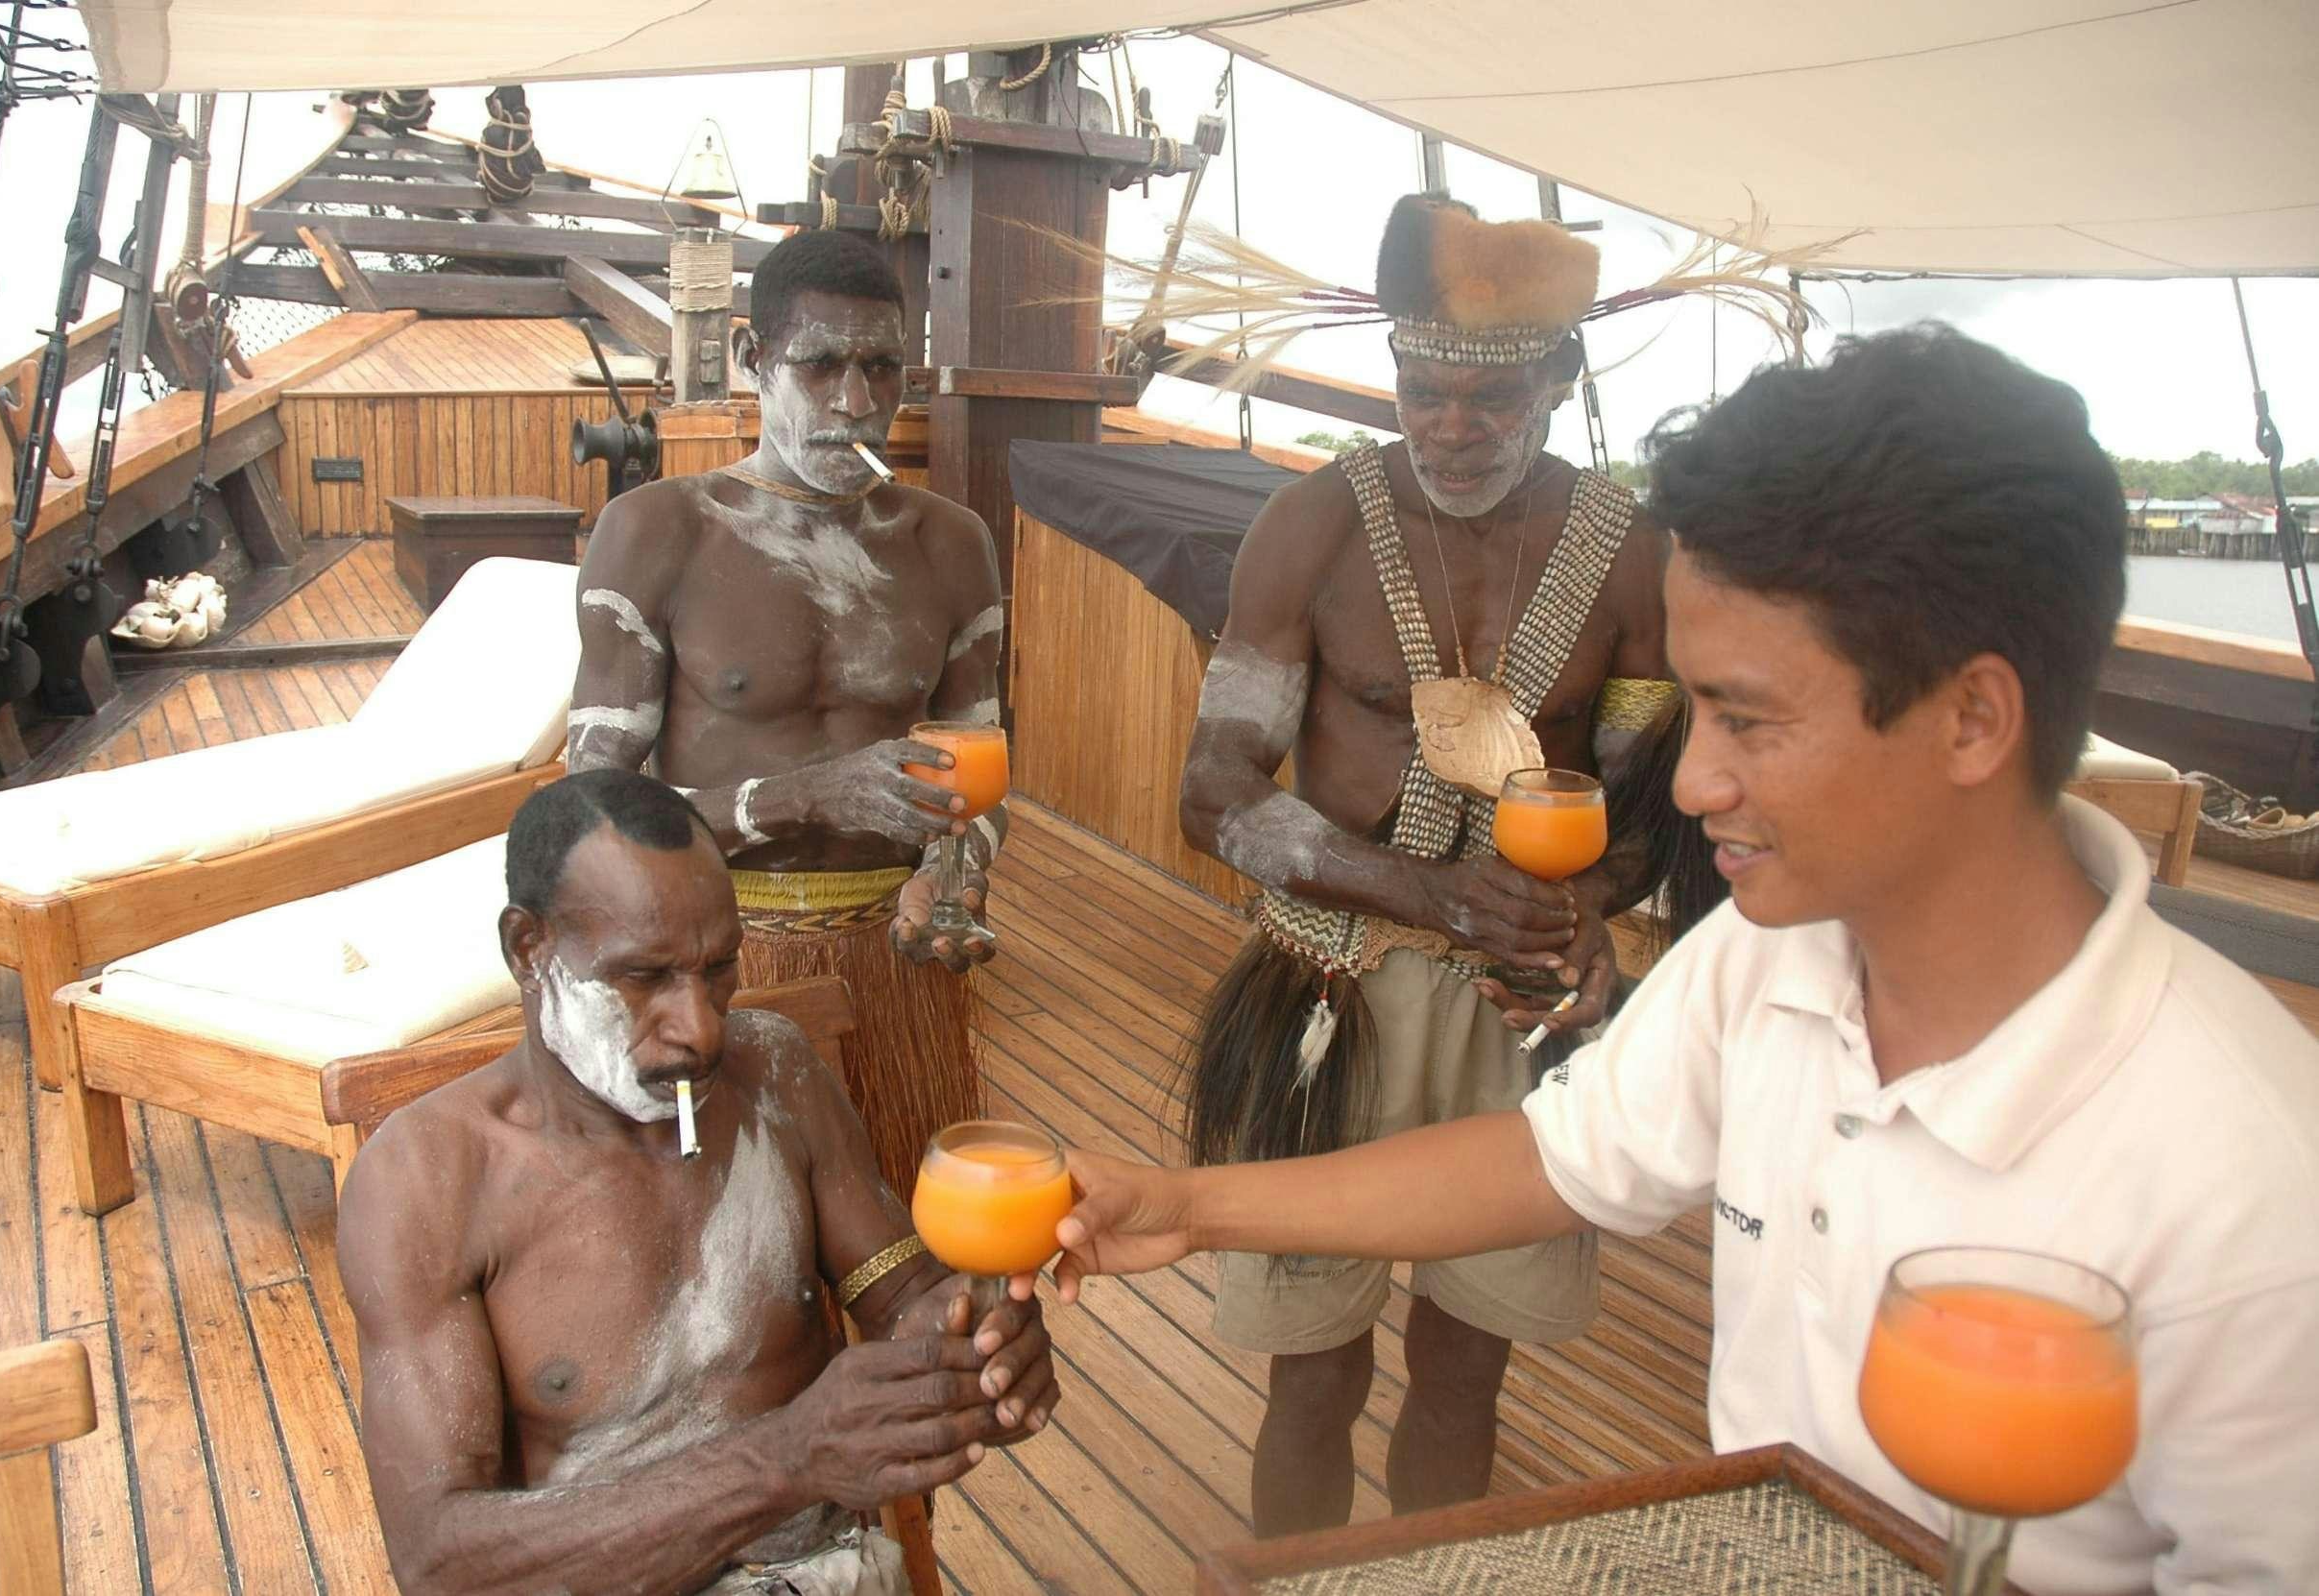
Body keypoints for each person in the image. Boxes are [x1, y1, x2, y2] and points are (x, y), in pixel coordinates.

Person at [1057, 326, 2319, 1594]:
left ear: (1974, 716)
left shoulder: (2252, 1181)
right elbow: (1554, 1155)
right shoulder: (1765, 967)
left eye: (1747, 718)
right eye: (1697, 708)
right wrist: (1190, 1205)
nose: (1697, 779)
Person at [1173, 192, 1717, 1535]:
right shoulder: (1314, 527)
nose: (1448, 427)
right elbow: (1216, 792)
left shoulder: (1630, 553)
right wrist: (1430, 894)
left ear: (1559, 380)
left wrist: (1589, 905)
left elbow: (1649, 813)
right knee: (1311, 1370)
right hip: (1327, 993)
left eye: (1490, 397)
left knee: (1468, 1364)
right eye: (1422, 392)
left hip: (1515, 1013)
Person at [337, 770, 1057, 1596]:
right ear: (528, 951)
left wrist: (979, 1347)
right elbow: (439, 1560)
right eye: (643, 978)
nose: (701, 1029)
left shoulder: (778, 1072)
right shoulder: (428, 1179)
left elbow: (902, 1296)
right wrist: (787, 1460)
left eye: (719, 968)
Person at [566, 228, 1004, 1197]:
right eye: (820, 365)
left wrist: (954, 873)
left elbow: (978, 773)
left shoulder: (952, 545)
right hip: (716, 965)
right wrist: (807, 796)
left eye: (884, 367)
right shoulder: (656, 531)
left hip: (897, 961)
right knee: (746, 1266)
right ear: (751, 360)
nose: (858, 402)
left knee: (909, 1234)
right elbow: (592, 815)